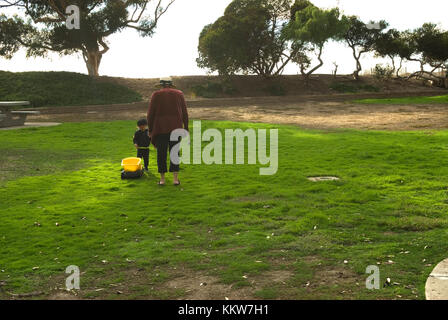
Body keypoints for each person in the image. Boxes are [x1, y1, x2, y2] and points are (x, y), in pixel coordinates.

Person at [147, 77, 189, 186]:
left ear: (161, 85)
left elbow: (150, 114)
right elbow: (184, 112)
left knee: (161, 153)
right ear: (171, 85)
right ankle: (175, 179)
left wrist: (150, 130)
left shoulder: (156, 95)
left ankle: (162, 179)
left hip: (160, 128)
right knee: (174, 153)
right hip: (176, 127)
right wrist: (186, 128)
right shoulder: (179, 94)